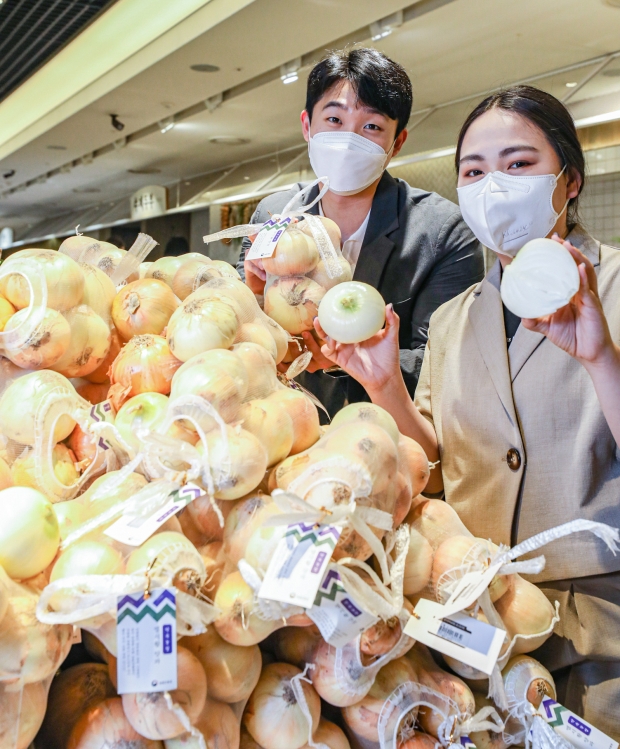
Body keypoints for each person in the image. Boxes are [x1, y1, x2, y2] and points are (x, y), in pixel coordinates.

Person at [314, 85, 620, 737]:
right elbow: (434, 459)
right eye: (474, 172)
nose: (494, 186)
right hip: (476, 628)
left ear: (570, 181)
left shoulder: (614, 290)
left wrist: (601, 358)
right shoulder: (458, 316)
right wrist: (384, 384)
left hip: (599, 640)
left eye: (518, 164)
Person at [237, 47, 483, 416]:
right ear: (307, 126)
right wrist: (251, 298)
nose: (348, 139)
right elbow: (243, 332)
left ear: (396, 143)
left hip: (389, 435)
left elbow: (445, 363)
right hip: (283, 423)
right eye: (334, 119)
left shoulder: (443, 232)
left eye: (371, 126)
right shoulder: (273, 215)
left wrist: (347, 357)